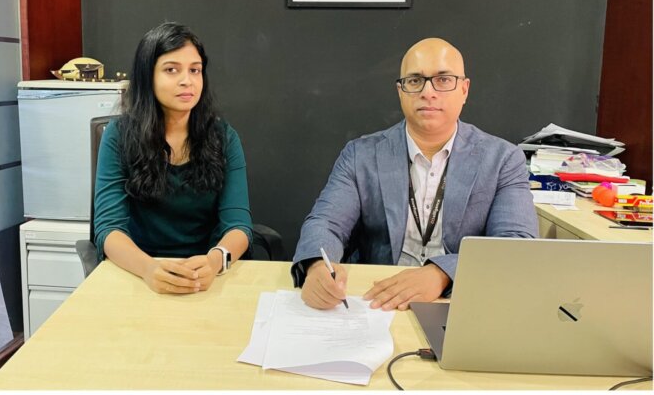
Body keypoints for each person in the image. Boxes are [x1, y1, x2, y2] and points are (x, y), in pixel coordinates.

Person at [292, 37, 537, 311]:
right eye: (415, 80)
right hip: (379, 298)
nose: (428, 92)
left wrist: (441, 273)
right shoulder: (361, 155)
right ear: (401, 91)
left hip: (461, 299)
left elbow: (516, 245)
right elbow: (326, 222)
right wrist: (316, 266)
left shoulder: (502, 159)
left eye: (443, 80)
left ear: (464, 89)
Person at [93, 22, 253, 295]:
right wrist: (148, 269)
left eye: (195, 70)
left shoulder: (223, 137)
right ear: (147, 76)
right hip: (139, 272)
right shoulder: (119, 136)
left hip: (206, 273)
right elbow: (109, 229)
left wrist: (215, 261)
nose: (187, 80)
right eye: (171, 70)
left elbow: (239, 225)